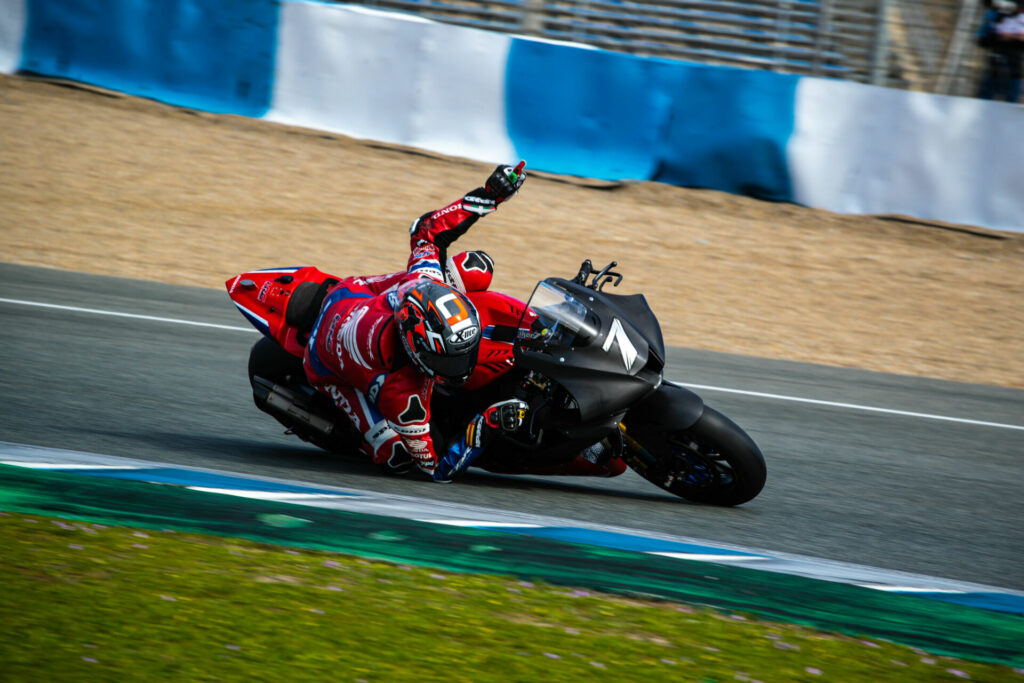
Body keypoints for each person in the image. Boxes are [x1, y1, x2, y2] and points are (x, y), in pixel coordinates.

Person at [302, 163, 528, 481]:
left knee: (476, 268)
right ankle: (364, 437)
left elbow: (427, 231)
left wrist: (491, 195)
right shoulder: (402, 393)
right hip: (325, 365)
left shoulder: (423, 278)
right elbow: (435, 468)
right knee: (395, 454)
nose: (462, 366)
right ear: (417, 353)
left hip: (352, 294)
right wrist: (487, 422)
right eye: (447, 360)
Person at [977, 0, 1024, 102]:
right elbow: (983, 41)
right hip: (994, 68)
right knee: (985, 98)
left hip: (1014, 71)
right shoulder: (994, 15)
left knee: (1011, 101)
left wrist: (1011, 36)